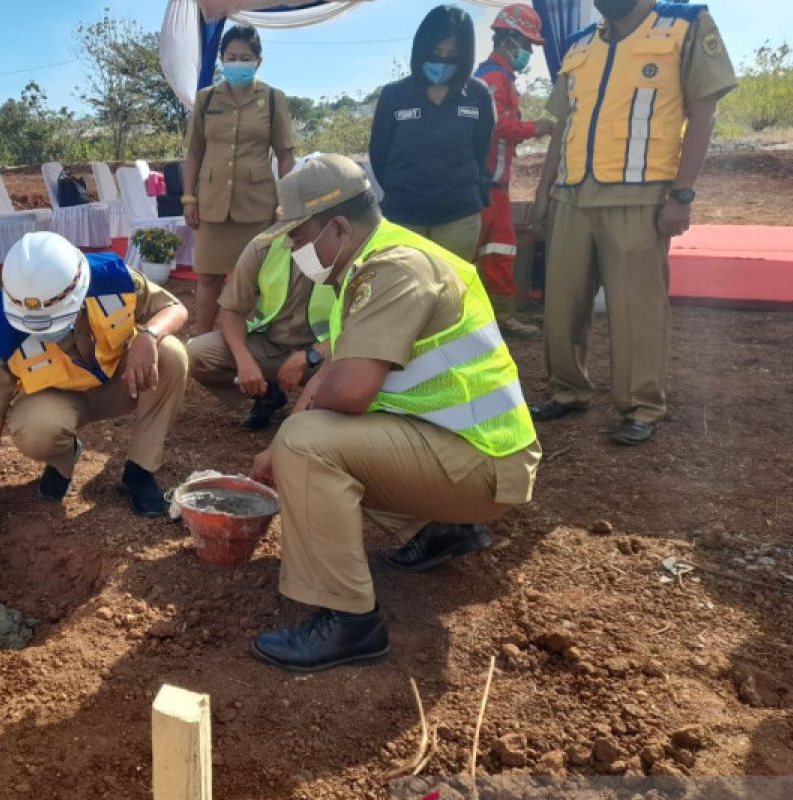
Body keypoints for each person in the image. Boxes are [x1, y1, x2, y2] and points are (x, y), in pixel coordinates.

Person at [245, 155, 540, 672]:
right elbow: (336, 368)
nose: (293, 250)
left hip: (483, 462)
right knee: (309, 435)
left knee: (308, 443)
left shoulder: (394, 269)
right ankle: (435, 530)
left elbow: (351, 388)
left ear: (338, 226)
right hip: (462, 447)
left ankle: (348, 619)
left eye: (298, 237)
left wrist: (286, 442)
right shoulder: (369, 264)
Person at [529, 0, 737, 446]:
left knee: (636, 308)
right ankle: (567, 392)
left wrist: (682, 194)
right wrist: (544, 193)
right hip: (570, 194)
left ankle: (640, 406)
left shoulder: (685, 24)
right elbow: (564, 126)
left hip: (639, 195)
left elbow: (703, 112)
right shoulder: (578, 43)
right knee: (562, 303)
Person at [0, 233, 189, 562]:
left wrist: (149, 334)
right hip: (56, 400)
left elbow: (174, 308)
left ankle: (139, 471)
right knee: (37, 430)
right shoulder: (0, 330)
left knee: (171, 355)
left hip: (121, 382)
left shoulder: (111, 278)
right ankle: (64, 457)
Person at [184, 25, 295, 336]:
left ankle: (248, 346)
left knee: (253, 280)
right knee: (207, 278)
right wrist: (188, 197)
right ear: (221, 59)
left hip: (257, 206)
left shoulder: (273, 99)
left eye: (244, 57)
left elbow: (286, 155)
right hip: (211, 202)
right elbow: (194, 152)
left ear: (258, 61)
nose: (237, 62)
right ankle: (203, 340)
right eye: (231, 57)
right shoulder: (206, 99)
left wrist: (286, 204)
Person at [369, 5, 494, 261]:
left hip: (459, 216)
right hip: (403, 216)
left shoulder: (478, 95)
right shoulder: (394, 95)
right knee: (404, 291)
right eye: (437, 52)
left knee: (451, 292)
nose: (442, 61)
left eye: (452, 55)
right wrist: (404, 191)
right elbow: (379, 154)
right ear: (422, 48)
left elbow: (483, 150)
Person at [185, 231, 335, 430]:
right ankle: (267, 394)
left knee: (355, 375)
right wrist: (244, 360)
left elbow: (358, 327)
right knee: (195, 353)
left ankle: (321, 411)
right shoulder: (265, 245)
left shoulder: (346, 248)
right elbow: (231, 309)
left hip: (327, 353)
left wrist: (312, 355)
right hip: (270, 345)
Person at [473, 4, 553, 338]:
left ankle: (501, 318)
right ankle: (474, 321)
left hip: (496, 187)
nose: (529, 52)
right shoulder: (491, 77)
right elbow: (500, 126)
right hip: (482, 186)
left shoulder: (503, 77)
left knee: (502, 250)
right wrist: (540, 127)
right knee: (478, 254)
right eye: (527, 44)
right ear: (508, 39)